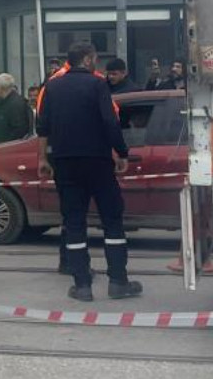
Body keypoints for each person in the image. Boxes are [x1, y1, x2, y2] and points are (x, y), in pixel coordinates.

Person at [37, 42, 143, 302]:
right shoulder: (97, 85)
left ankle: (82, 285)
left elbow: (43, 127)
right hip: (97, 161)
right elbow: (110, 121)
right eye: (94, 58)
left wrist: (42, 159)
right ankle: (118, 281)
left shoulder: (52, 86)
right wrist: (121, 152)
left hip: (64, 162)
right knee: (112, 220)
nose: (97, 62)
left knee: (74, 222)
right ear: (87, 59)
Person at [0, 73, 31, 144]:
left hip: (8, 146)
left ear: (1, 87)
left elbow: (19, 129)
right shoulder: (1, 101)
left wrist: (4, 143)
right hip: (0, 144)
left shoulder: (15, 104)